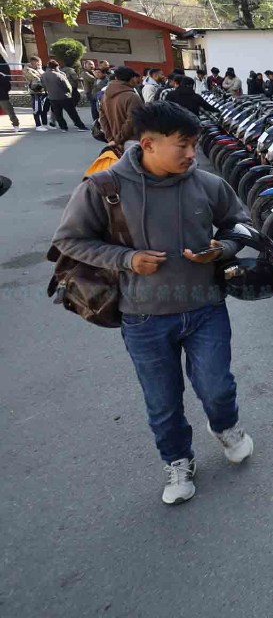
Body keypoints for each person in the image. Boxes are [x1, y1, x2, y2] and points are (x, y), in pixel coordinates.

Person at [52, 101, 256, 504]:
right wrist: (126, 259)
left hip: (205, 308)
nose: (191, 154)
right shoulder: (104, 187)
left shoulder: (208, 184)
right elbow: (69, 240)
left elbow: (241, 222)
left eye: (194, 145)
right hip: (144, 317)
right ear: (148, 143)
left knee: (217, 386)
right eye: (182, 145)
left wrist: (224, 247)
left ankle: (227, 426)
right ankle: (177, 460)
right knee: (162, 400)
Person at [100, 67, 145, 148]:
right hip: (133, 141)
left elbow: (103, 119)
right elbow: (132, 121)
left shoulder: (105, 96)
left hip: (115, 140)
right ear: (132, 78)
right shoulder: (132, 96)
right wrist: (117, 139)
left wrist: (111, 139)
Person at [42, 60, 89, 132]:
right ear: (56, 66)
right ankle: (80, 126)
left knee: (58, 113)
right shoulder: (59, 75)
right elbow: (68, 86)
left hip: (52, 97)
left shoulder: (44, 75)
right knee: (72, 112)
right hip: (64, 96)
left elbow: (43, 85)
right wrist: (69, 93)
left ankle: (63, 127)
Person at [26, 56, 49, 131]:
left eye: (39, 62)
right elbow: (34, 77)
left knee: (44, 109)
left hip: (44, 91)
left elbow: (45, 77)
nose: (39, 64)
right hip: (35, 92)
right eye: (37, 62)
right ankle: (38, 125)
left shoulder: (39, 69)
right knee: (37, 109)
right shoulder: (28, 69)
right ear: (32, 62)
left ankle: (45, 124)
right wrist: (41, 75)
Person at [0, 62, 19, 131]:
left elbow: (8, 86)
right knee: (10, 111)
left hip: (2, 97)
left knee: (10, 111)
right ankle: (16, 125)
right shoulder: (3, 76)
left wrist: (3, 92)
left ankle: (16, 125)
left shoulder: (3, 76)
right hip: (3, 96)